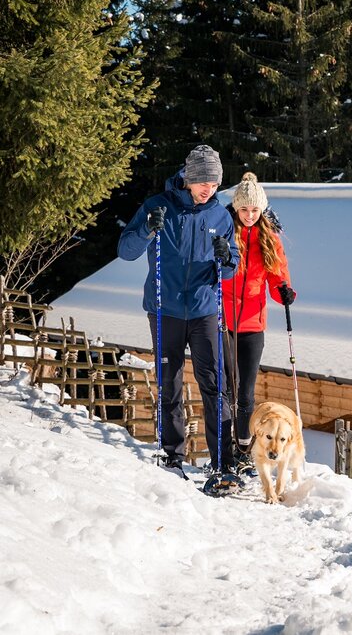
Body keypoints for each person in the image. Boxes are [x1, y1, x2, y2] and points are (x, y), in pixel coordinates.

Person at [118, 145, 240, 487]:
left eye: (214, 184)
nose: (209, 189)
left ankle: (223, 464)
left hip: (203, 311)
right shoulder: (158, 206)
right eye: (203, 182)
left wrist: (226, 259)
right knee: (169, 383)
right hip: (165, 309)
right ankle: (172, 456)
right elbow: (125, 251)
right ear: (188, 177)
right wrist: (146, 230)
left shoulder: (220, 216)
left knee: (214, 385)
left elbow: (231, 268)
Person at [222, 172, 295, 472]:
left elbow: (279, 277)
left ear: (261, 210)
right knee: (227, 389)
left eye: (254, 210)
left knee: (247, 394)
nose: (249, 215)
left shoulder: (270, 240)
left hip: (253, 324)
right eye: (244, 209)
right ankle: (222, 448)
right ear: (236, 209)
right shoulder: (225, 233)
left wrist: (285, 292)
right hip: (222, 322)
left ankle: (242, 447)